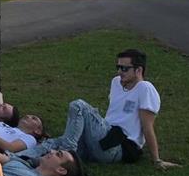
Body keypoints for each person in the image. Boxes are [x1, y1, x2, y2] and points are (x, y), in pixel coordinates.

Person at [21, 49, 179, 169]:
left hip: (117, 146)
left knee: (78, 106)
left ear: (138, 70)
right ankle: (17, 158)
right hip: (101, 139)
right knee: (54, 142)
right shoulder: (116, 82)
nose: (119, 72)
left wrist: (156, 160)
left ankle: (68, 153)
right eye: (118, 67)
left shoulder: (145, 88)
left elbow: (147, 127)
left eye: (125, 68)